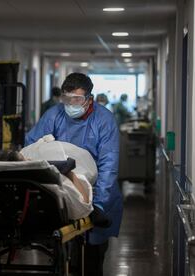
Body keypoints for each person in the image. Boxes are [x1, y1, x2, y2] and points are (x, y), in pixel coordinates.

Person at [25, 72, 122, 276]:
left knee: (92, 258)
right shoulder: (54, 115)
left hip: (95, 191)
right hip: (62, 190)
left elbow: (108, 165)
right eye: (66, 99)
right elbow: (32, 146)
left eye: (76, 99)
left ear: (89, 100)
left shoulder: (104, 121)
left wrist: (98, 205)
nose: (70, 104)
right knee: (63, 251)